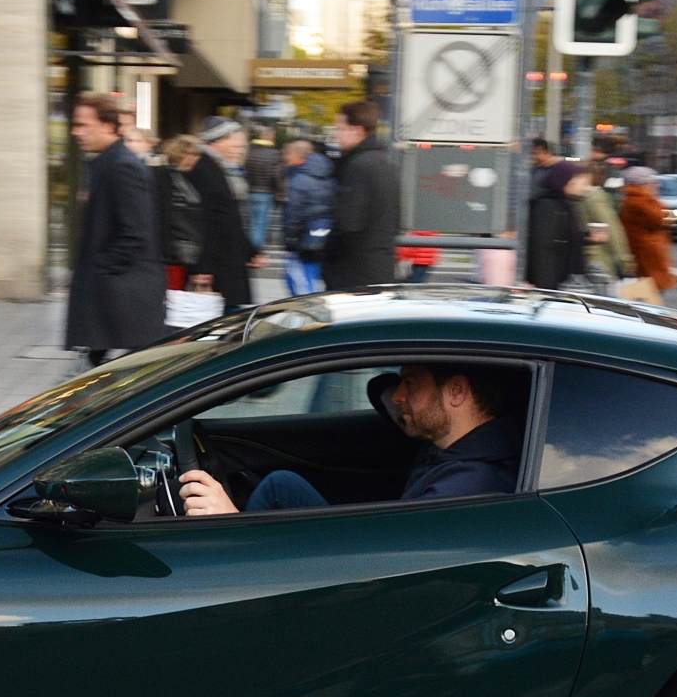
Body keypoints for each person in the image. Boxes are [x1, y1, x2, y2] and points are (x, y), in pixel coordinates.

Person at [177, 363, 523, 514]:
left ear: (458, 391)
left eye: (412, 383)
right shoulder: (450, 447)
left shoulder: (465, 487)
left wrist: (233, 524)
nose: (399, 396)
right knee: (281, 486)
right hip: (384, 546)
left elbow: (385, 571)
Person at [63, 91, 159, 366]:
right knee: (89, 373)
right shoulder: (106, 163)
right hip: (111, 296)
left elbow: (135, 232)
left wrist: (101, 269)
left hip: (119, 296)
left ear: (107, 125)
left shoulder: (121, 167)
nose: (75, 132)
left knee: (92, 377)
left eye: (83, 125)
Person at [322, 101, 397, 292]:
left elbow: (348, 224)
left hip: (353, 273)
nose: (335, 134)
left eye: (340, 128)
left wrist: (327, 254)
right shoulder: (383, 163)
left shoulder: (357, 166)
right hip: (379, 268)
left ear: (357, 130)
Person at [190, 117, 257, 310]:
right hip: (217, 262)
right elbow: (201, 219)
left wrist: (250, 250)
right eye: (235, 145)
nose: (240, 150)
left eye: (242, 146)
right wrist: (202, 266)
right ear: (216, 141)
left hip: (227, 257)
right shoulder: (203, 169)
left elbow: (230, 216)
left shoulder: (221, 168)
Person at [278, 137, 332, 296]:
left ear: (298, 155)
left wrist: (290, 242)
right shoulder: (326, 174)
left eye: (287, 154)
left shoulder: (298, 179)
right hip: (322, 236)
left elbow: (293, 213)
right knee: (312, 276)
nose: (285, 158)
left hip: (303, 239)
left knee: (298, 281)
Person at [154, 133, 205, 293]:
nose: (195, 159)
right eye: (192, 155)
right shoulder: (170, 178)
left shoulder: (181, 178)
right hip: (174, 253)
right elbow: (172, 215)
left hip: (178, 251)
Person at [525, 158, 584, 290]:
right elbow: (544, 248)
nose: (580, 184)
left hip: (559, 283)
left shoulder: (563, 204)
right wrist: (547, 290)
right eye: (574, 179)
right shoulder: (547, 207)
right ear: (563, 180)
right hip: (550, 286)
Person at [618, 166, 676, 297]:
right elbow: (660, 219)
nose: (657, 185)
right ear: (643, 184)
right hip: (648, 254)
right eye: (653, 182)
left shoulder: (634, 199)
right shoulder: (641, 200)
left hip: (646, 253)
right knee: (652, 295)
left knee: (650, 293)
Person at [578, 163, 631, 287]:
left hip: (584, 260)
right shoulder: (594, 198)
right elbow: (612, 230)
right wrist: (625, 261)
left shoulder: (576, 197)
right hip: (598, 259)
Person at [245, 124, 282, 251]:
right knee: (260, 223)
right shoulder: (275, 154)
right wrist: (279, 190)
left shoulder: (248, 151)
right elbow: (276, 175)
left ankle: (247, 247)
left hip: (248, 191)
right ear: (271, 137)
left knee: (248, 222)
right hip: (265, 193)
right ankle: (254, 250)